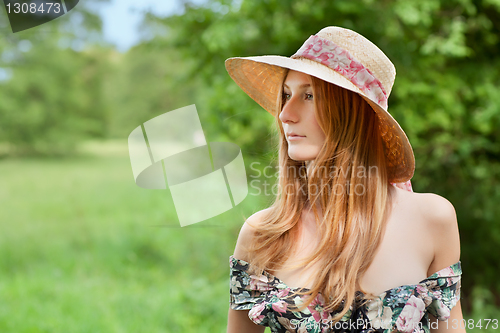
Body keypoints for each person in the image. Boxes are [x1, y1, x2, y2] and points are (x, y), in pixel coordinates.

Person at [224, 26, 463, 333]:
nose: (285, 114)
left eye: (309, 95)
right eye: (286, 95)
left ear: (354, 112)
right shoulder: (262, 236)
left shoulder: (432, 220)